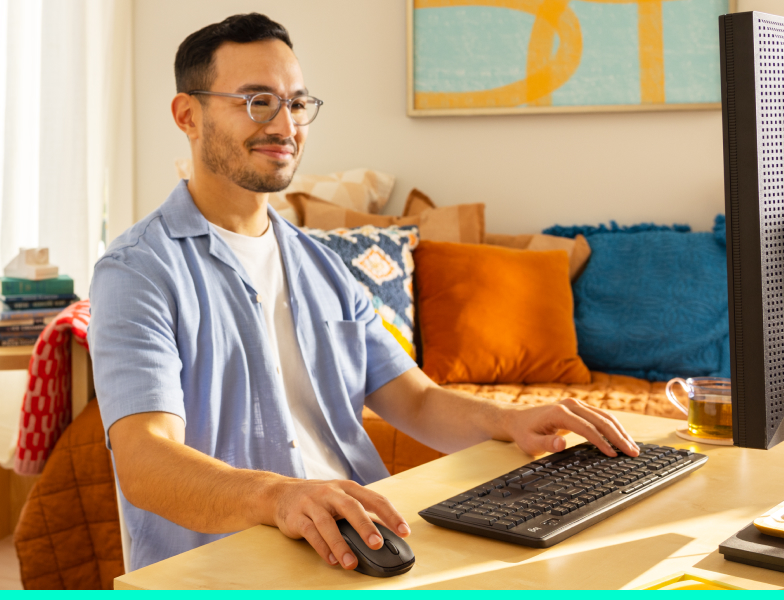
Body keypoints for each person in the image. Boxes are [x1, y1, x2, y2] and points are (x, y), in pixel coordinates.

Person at [88, 12, 640, 573]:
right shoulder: (137, 272)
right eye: (257, 101)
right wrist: (279, 497)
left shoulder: (322, 264)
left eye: (297, 103)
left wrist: (509, 420)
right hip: (232, 564)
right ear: (189, 115)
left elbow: (416, 400)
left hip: (365, 546)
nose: (285, 125)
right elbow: (144, 458)